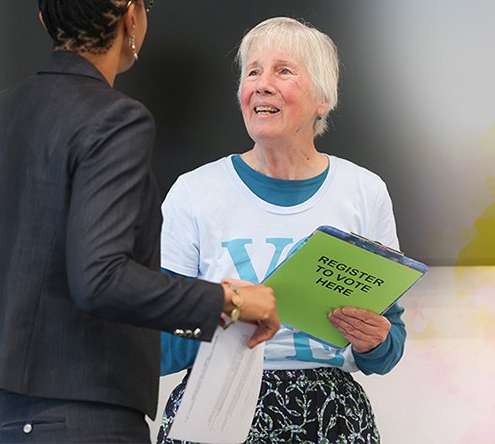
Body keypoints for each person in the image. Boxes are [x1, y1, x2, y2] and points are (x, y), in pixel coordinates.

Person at [0, 1, 279, 443]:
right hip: (81, 423)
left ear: (46, 18)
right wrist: (230, 301)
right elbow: (101, 276)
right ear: (131, 16)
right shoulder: (116, 118)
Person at [156, 17, 405, 443]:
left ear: (322, 99)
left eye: (283, 71)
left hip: (332, 415)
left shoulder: (365, 191)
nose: (262, 84)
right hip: (216, 405)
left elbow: (387, 347)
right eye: (253, 71)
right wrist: (224, 309)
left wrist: (375, 340)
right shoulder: (193, 192)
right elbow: (156, 348)